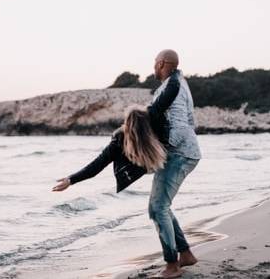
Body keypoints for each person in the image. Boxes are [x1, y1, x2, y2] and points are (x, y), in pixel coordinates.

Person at [51, 68, 180, 194]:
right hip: (158, 155)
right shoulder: (152, 116)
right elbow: (171, 91)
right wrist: (175, 73)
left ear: (127, 123)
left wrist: (71, 180)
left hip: (142, 165)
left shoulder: (119, 139)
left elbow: (96, 166)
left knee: (119, 140)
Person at [148, 49, 202, 278]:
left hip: (179, 153)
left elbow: (180, 124)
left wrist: (166, 147)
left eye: (154, 62)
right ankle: (185, 254)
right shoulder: (181, 82)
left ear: (161, 63)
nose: (153, 66)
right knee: (159, 207)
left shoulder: (173, 86)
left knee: (158, 207)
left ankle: (172, 265)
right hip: (185, 151)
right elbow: (191, 120)